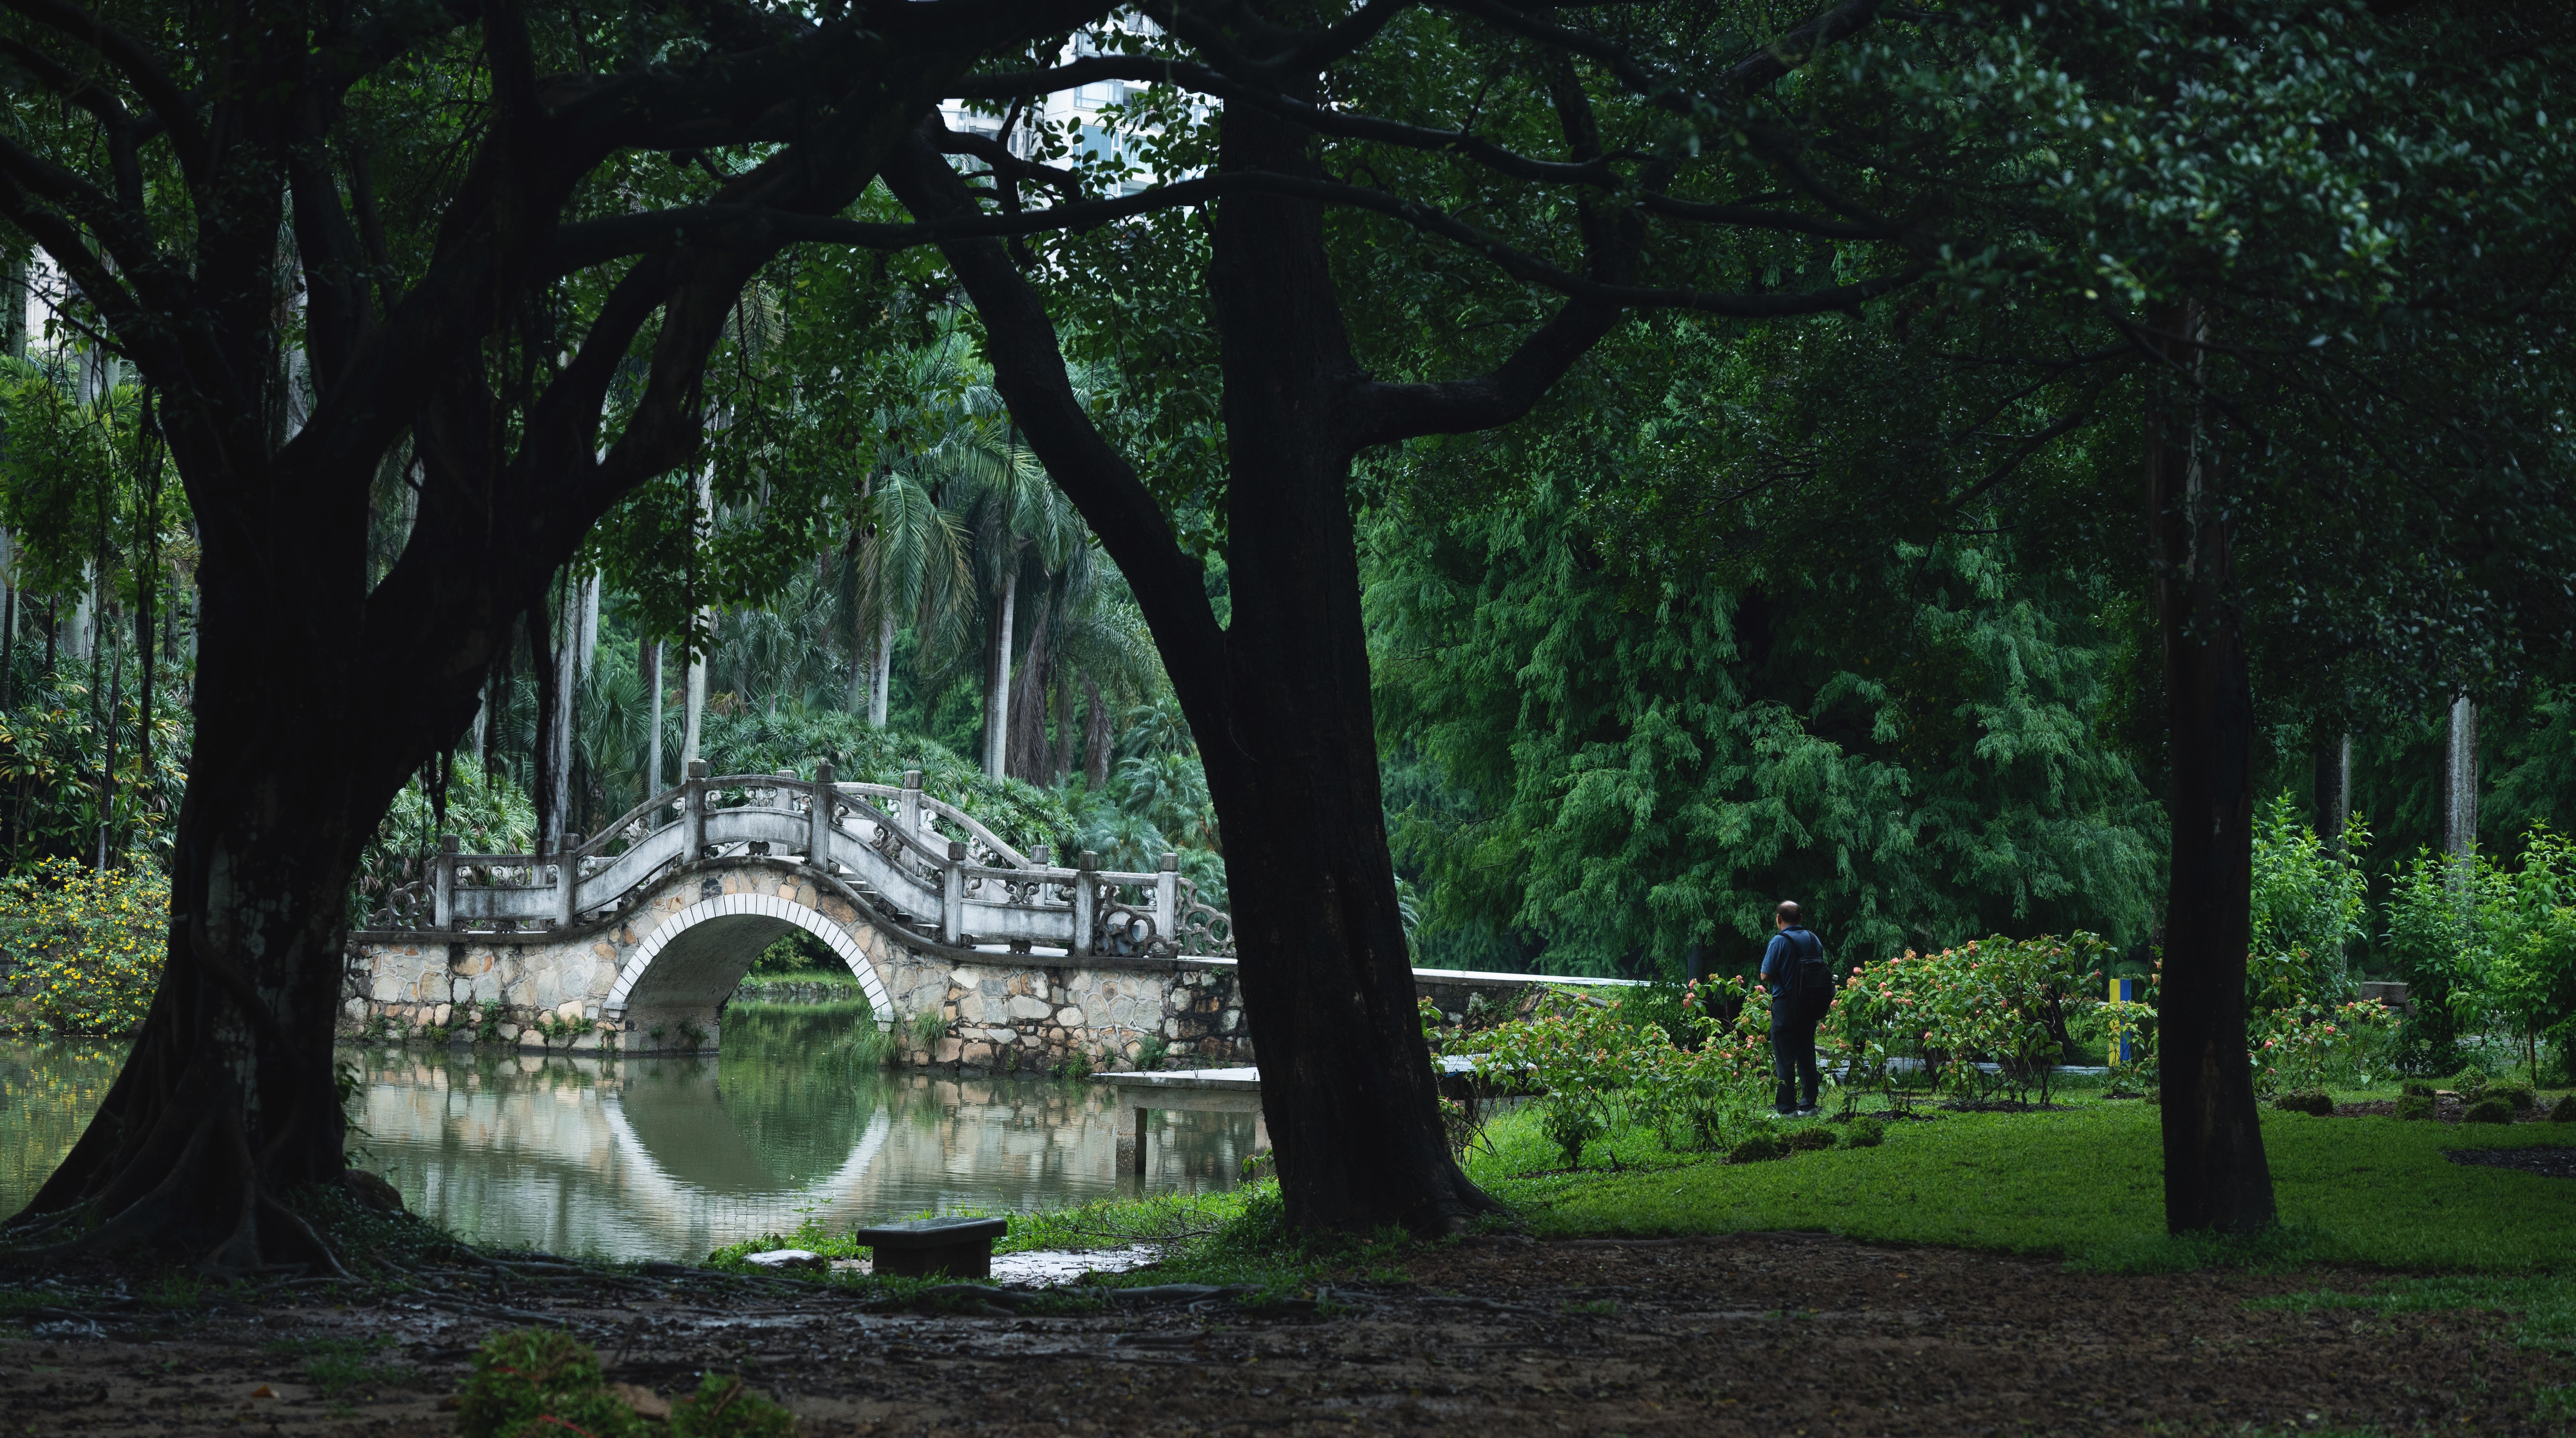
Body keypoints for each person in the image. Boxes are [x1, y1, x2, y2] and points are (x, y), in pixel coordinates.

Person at [1760, 900, 1832, 1116]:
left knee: (1785, 1059)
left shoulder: (1779, 941)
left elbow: (1766, 975)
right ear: (1801, 919)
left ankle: (1787, 1109)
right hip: (1810, 1005)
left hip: (1785, 1006)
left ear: (1779, 919)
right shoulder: (1813, 939)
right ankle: (1809, 1106)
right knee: (1807, 1056)